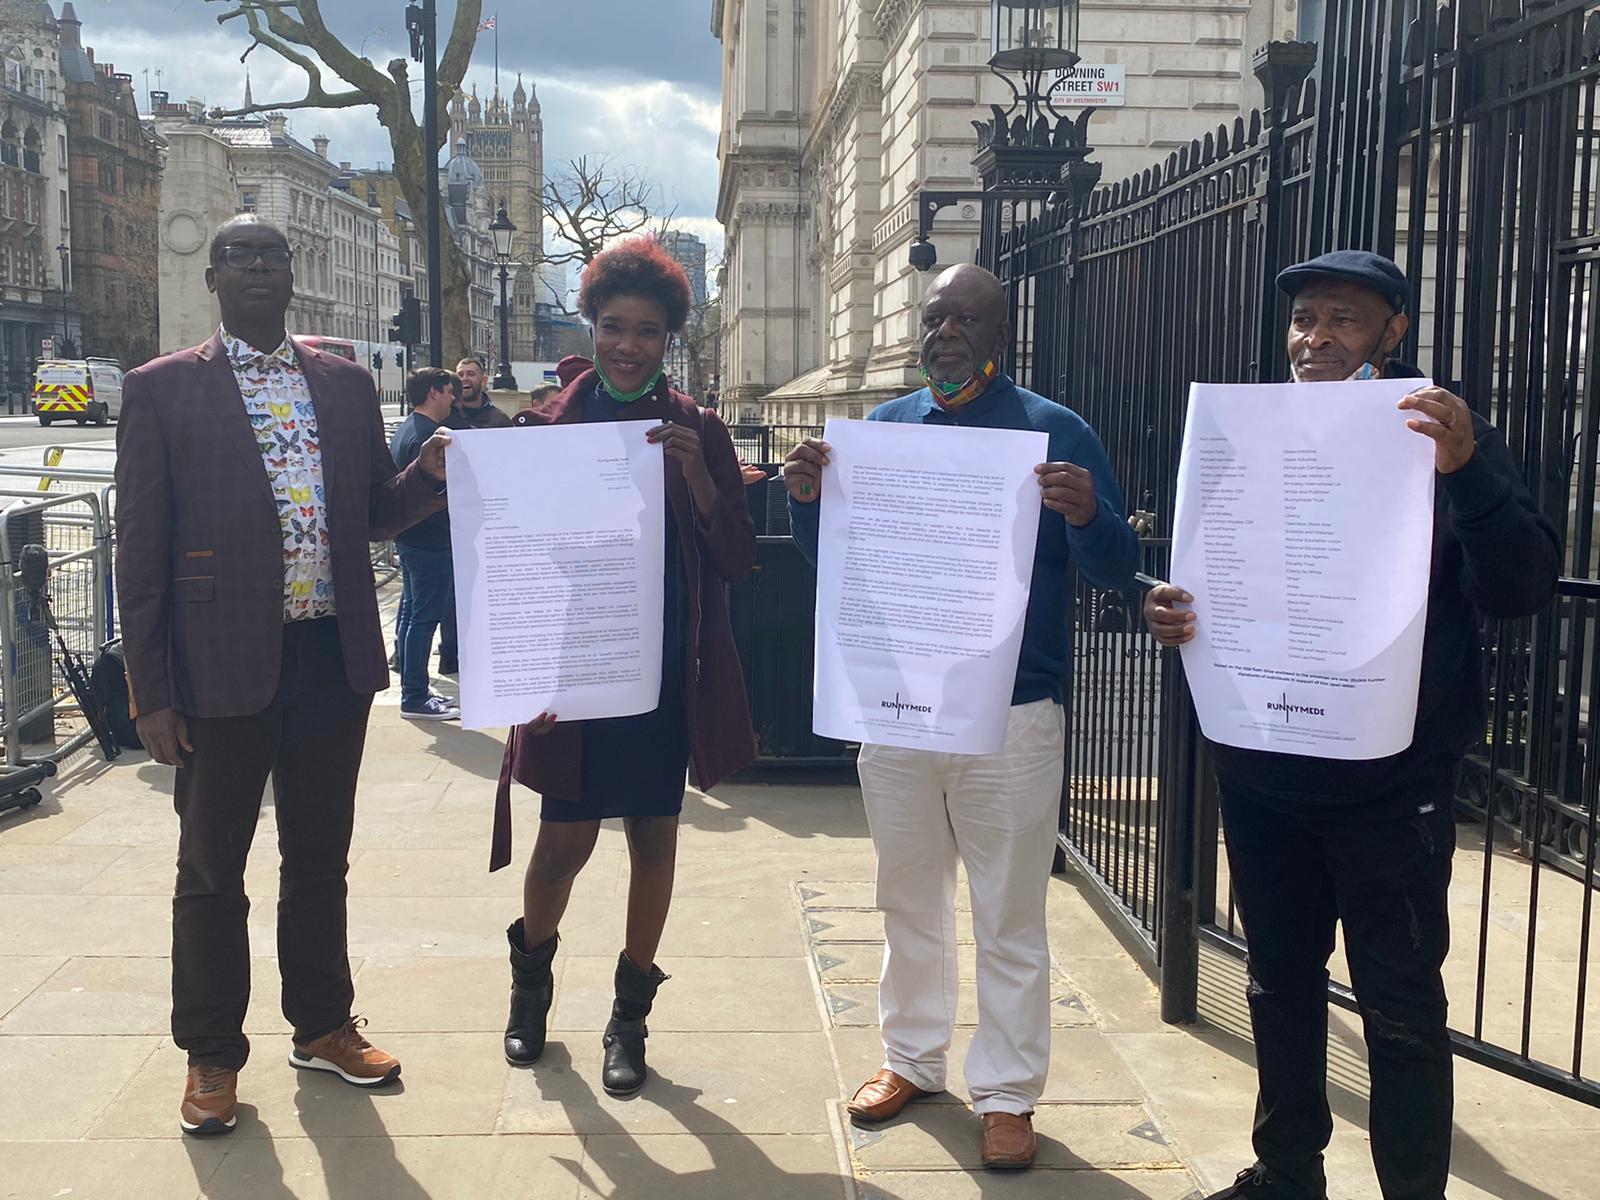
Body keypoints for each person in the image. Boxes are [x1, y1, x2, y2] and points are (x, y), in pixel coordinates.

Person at [1143, 250, 1561, 1200]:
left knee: (1402, 1008)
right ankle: (1287, 1172)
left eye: (1343, 318)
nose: (1316, 337)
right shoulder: (1245, 433)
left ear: (1392, 334)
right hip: (1261, 773)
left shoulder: (1441, 435)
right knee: (1277, 983)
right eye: (1304, 320)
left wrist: (1468, 473)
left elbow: (1523, 586)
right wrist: (1169, 607)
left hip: (1390, 787)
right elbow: (1211, 576)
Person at [783, 263, 1140, 1170]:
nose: (947, 333)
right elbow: (841, 569)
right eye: (935, 317)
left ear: (1001, 331)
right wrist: (808, 500)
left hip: (1010, 714)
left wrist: (1091, 512)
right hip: (900, 710)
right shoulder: (885, 430)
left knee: (1009, 909)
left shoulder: (1054, 431)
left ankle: (1010, 1092)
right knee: (907, 894)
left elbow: (1114, 567)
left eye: (967, 318)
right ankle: (911, 1058)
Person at [114, 215, 451, 1137]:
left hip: (328, 661)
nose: (260, 268)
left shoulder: (341, 387)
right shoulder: (161, 391)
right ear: (214, 275)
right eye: (242, 257)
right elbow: (138, 553)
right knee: (211, 871)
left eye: (274, 256)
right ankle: (212, 1055)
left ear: (291, 275)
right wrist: (152, 693)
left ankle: (323, 1026)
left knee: (319, 861)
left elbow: (373, 515)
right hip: (216, 670)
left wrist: (426, 475)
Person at [492, 238, 758, 1097]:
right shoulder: (547, 428)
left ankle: (628, 1019)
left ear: (670, 336)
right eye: (614, 327)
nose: (628, 344)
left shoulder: (700, 430)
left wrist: (703, 483)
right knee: (559, 849)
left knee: (653, 839)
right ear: (593, 325)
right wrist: (517, 672)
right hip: (572, 679)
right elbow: (511, 561)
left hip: (659, 680)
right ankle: (530, 990)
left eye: (647, 330)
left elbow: (738, 559)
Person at [391, 368, 463, 720]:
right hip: (431, 540)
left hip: (412, 538)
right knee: (424, 618)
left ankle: (413, 683)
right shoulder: (427, 437)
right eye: (449, 391)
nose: (453, 398)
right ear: (434, 392)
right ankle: (414, 696)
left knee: (410, 613)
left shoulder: (408, 428)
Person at [446, 355, 513, 430]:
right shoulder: (448, 417)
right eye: (460, 375)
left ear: (483, 380)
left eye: (471, 374)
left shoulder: (500, 421)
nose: (464, 379)